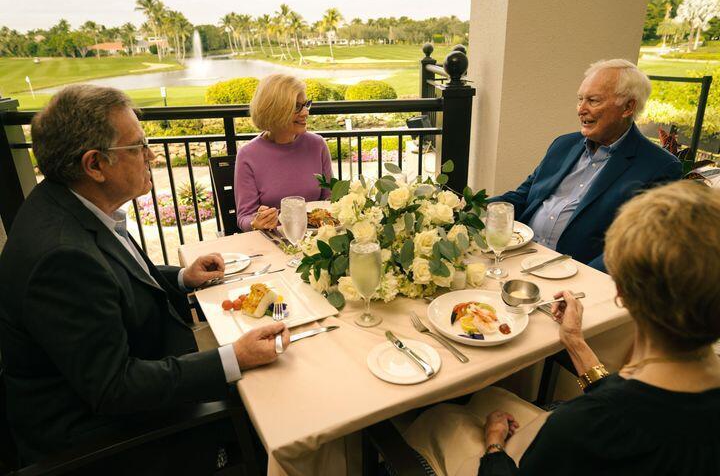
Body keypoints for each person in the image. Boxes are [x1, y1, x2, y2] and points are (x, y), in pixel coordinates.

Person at [0, 84, 290, 472]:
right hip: (108, 443)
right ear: (95, 165)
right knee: (277, 405)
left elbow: (116, 281)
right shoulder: (62, 257)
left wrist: (182, 277)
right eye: (138, 146)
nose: (151, 155)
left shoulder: (69, 205)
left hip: (138, 374)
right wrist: (232, 359)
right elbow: (115, 388)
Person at [404, 180, 720, 475]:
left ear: (622, 292)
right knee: (489, 396)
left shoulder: (580, 427)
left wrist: (494, 444)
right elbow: (642, 405)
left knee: (440, 418)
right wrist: (575, 341)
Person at [490, 59, 682, 272]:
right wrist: (470, 208)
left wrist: (585, 278)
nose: (581, 109)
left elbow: (632, 247)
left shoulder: (660, 167)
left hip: (576, 277)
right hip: (519, 256)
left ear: (628, 107)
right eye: (580, 99)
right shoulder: (563, 144)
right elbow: (523, 197)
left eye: (593, 100)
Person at [234, 74, 333, 232]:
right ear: (274, 111)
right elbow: (244, 217)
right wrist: (256, 222)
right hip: (273, 240)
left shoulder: (317, 144)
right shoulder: (248, 155)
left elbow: (330, 199)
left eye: (306, 104)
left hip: (316, 239)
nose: (305, 113)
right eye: (296, 107)